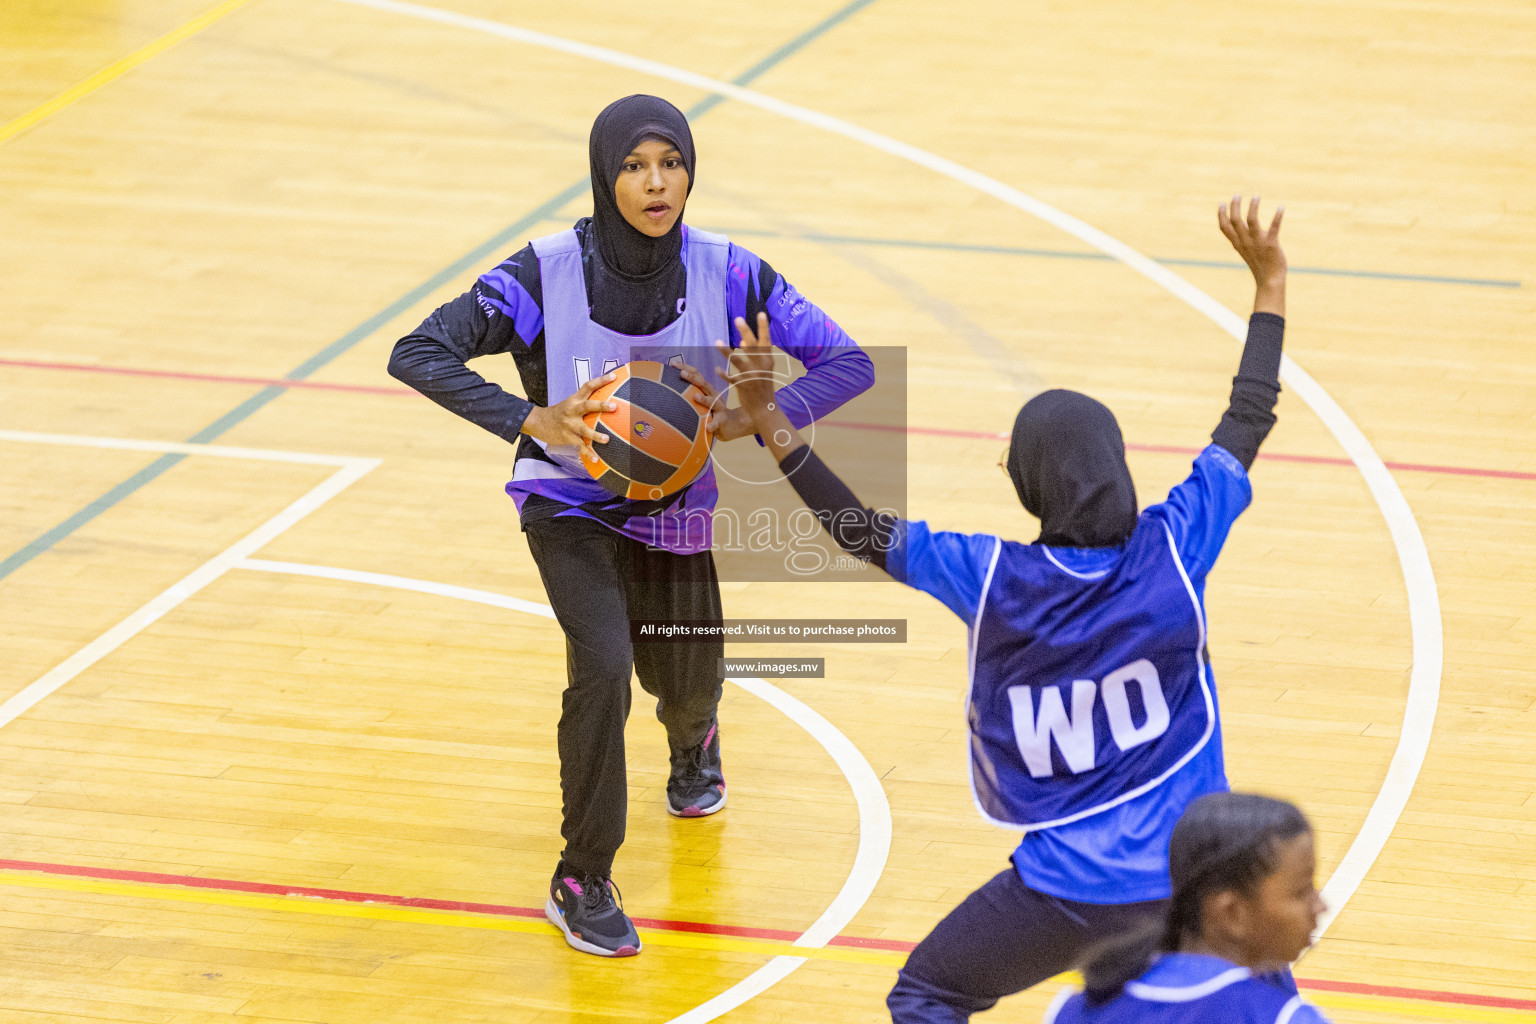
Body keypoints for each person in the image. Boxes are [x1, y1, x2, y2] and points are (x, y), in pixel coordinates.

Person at [702, 195, 1288, 1019]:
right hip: (1195, 891)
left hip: (1065, 894)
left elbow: (856, 530)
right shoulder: (1178, 549)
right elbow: (1247, 417)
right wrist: (1271, 284)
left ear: (1034, 485)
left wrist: (771, 421)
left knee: (927, 992)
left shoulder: (986, 576)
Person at [387, 94, 873, 958]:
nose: (657, 184)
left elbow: (850, 360)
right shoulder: (541, 272)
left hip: (676, 513)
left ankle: (695, 742)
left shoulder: (731, 271)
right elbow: (416, 350)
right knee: (604, 669)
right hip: (568, 505)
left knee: (685, 687)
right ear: (604, 173)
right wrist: (526, 419)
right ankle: (582, 877)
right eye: (634, 166)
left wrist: (761, 412)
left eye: (672, 163)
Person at [1045, 791, 1329, 1024]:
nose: (1320, 906)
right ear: (1232, 913)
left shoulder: (1072, 1009)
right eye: (1301, 892)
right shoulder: (1283, 1018)